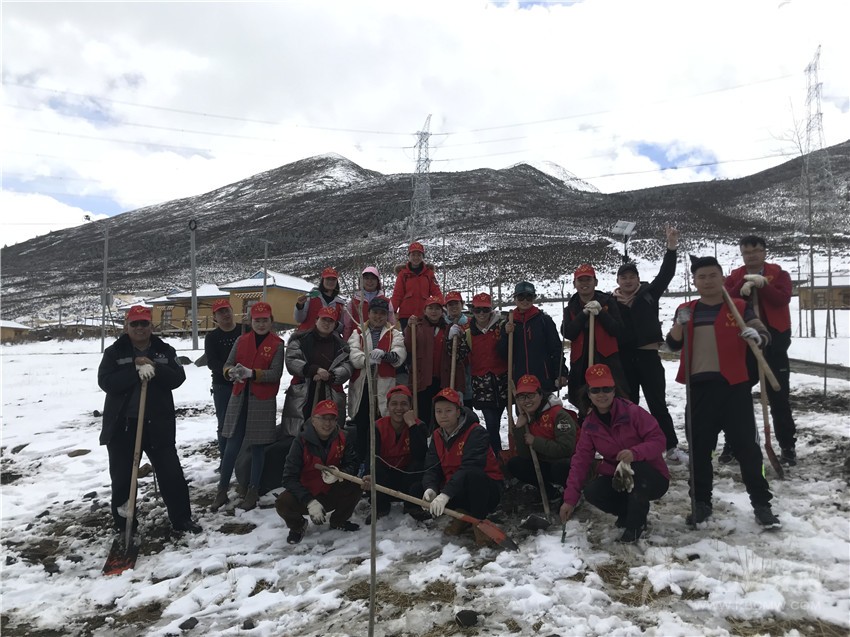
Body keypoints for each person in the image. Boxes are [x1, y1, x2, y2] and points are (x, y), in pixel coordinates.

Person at [666, 255, 781, 529]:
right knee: (699, 451)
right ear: (694, 281)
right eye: (701, 277)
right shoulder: (687, 309)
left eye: (712, 275)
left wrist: (757, 337)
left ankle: (762, 504)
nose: (707, 281)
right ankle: (701, 502)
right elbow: (672, 344)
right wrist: (680, 323)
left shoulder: (738, 307)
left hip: (734, 388)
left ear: (722, 278)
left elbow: (763, 334)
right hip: (699, 390)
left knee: (748, 450)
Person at [97, 305, 200, 535]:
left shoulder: (165, 350)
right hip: (123, 426)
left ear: (151, 326)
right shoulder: (115, 352)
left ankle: (182, 519)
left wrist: (155, 368)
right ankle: (124, 525)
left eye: (144, 323)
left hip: (158, 425)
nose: (139, 328)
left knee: (171, 474)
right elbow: (106, 382)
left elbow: (178, 378)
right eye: (134, 324)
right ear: (127, 326)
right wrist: (134, 371)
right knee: (123, 479)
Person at [559, 364, 669, 543]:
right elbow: (580, 461)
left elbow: (659, 440)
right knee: (593, 491)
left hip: (652, 477)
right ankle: (627, 513)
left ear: (614, 390)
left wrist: (635, 453)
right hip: (619, 478)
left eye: (606, 389)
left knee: (636, 468)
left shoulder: (633, 412)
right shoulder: (589, 425)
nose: (601, 394)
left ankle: (636, 525)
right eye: (595, 390)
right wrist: (570, 500)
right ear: (589, 394)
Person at [613, 227, 688, 464]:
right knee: (629, 405)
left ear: (638, 279)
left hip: (648, 358)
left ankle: (671, 447)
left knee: (657, 404)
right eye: (623, 277)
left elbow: (666, 274)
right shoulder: (610, 302)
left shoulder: (649, 294)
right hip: (624, 359)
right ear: (618, 281)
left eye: (631, 277)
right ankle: (632, 446)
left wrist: (671, 248)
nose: (628, 281)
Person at [724, 235, 797, 466]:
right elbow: (727, 299)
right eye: (747, 252)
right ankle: (733, 443)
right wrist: (743, 285)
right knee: (736, 397)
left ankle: (787, 446)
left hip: (775, 344)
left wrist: (763, 285)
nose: (751, 256)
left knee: (779, 399)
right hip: (743, 345)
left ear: (764, 252)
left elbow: (782, 299)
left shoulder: (780, 274)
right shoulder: (734, 276)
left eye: (756, 251)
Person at [214, 301, 284, 511]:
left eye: (265, 320)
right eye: (257, 320)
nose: (261, 324)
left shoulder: (277, 344)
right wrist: (230, 372)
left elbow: (276, 373)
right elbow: (227, 364)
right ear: (251, 321)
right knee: (232, 445)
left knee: (258, 447)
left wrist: (252, 374)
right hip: (239, 398)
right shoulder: (241, 340)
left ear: (271, 321)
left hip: (262, 401)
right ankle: (222, 489)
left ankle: (253, 490)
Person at [417, 388, 504, 546]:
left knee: (473, 475)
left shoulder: (476, 432)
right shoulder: (437, 435)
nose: (443, 415)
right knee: (418, 487)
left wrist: (445, 495)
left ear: (458, 412)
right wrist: (430, 488)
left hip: (485, 490)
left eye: (448, 411)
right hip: (455, 487)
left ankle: (479, 522)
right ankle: (463, 515)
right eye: (438, 411)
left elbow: (470, 467)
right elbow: (431, 467)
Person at [276, 400, 361, 544]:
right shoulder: (300, 442)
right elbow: (288, 478)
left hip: (331, 490)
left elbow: (353, 464)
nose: (327, 423)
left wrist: (339, 473)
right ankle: (298, 526)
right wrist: (309, 501)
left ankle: (339, 520)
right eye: (323, 418)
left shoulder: (343, 438)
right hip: (306, 492)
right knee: (283, 502)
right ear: (313, 420)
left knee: (356, 485)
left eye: (332, 419)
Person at [347, 296, 407, 463]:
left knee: (381, 426)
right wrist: (366, 360)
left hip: (383, 387)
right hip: (363, 386)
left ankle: (378, 461)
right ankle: (361, 462)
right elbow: (353, 354)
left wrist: (385, 355)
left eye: (382, 313)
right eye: (375, 312)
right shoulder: (358, 332)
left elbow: (399, 355)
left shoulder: (394, 334)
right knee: (362, 425)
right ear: (369, 313)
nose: (378, 316)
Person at [562, 264, 627, 412]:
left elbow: (618, 330)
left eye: (588, 280)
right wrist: (583, 314)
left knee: (611, 401)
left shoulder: (608, 302)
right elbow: (568, 333)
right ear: (574, 284)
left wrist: (601, 313)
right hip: (581, 364)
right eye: (581, 280)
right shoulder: (570, 308)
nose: (585, 283)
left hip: (607, 361)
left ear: (595, 282)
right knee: (582, 402)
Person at [281, 306, 353, 438]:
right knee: (299, 435)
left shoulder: (342, 347)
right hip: (304, 392)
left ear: (335, 325)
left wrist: (331, 375)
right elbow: (291, 360)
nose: (327, 323)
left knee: (328, 432)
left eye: (330, 321)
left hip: (330, 392)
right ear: (316, 320)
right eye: (324, 319)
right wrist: (313, 370)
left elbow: (347, 367)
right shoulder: (300, 340)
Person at [361, 385, 429, 521]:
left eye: (404, 404)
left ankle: (412, 506)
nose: (399, 408)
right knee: (375, 470)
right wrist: (369, 474)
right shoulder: (377, 427)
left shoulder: (419, 425)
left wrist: (412, 425)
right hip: (385, 479)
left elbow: (420, 455)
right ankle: (381, 507)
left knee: (419, 465)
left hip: (408, 478)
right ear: (388, 406)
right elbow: (371, 456)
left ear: (410, 406)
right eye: (394, 404)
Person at [508, 374, 577, 503]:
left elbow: (566, 449)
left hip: (565, 464)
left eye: (531, 395)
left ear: (540, 395)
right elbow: (525, 455)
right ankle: (549, 492)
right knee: (516, 464)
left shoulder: (559, 415)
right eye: (522, 397)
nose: (526, 401)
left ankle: (571, 494)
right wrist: (520, 429)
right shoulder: (527, 417)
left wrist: (535, 442)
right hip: (544, 463)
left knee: (561, 467)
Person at [405, 295, 469, 425]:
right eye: (430, 308)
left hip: (443, 379)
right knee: (422, 414)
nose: (434, 311)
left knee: (441, 416)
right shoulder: (417, 327)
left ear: (442, 311)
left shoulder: (449, 328)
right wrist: (409, 328)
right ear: (425, 310)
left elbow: (458, 358)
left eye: (437, 308)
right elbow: (409, 346)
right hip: (422, 379)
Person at [498, 281, 567, 394]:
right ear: (515, 298)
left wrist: (561, 372)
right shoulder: (508, 323)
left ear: (534, 298)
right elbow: (503, 354)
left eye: (529, 297)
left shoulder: (544, 321)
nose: (525, 301)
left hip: (543, 379)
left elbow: (556, 348)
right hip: (520, 380)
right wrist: (506, 334)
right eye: (521, 297)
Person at [466, 293, 508, 455]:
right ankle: (496, 455)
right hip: (482, 385)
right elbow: (459, 356)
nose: (482, 313)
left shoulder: (500, 327)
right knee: (491, 423)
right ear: (473, 311)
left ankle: (498, 454)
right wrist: (452, 339)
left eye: (485, 310)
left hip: (501, 383)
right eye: (478, 310)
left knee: (496, 422)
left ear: (491, 310)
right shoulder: (468, 332)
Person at [204, 298, 241, 460]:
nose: (225, 314)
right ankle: (226, 459)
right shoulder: (212, 337)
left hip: (245, 382)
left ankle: (242, 458)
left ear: (232, 311)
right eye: (220, 312)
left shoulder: (244, 330)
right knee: (225, 423)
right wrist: (228, 371)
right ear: (215, 317)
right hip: (222, 385)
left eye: (227, 310)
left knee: (245, 421)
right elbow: (211, 362)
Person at [391, 241, 441, 330]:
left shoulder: (429, 274)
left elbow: (436, 292)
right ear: (409, 256)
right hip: (406, 315)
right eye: (413, 255)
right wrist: (391, 311)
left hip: (424, 314)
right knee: (408, 338)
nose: (416, 257)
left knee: (424, 337)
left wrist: (442, 306)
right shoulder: (403, 274)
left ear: (422, 257)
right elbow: (397, 294)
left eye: (419, 255)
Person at [342, 266, 397, 340]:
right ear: (361, 281)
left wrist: (392, 340)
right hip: (357, 340)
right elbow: (347, 325)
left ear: (378, 281)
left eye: (373, 278)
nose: (370, 281)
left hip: (381, 340)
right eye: (366, 278)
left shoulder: (386, 301)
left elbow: (391, 323)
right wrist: (346, 341)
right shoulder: (353, 303)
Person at [294, 266, 347, 333]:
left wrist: (334, 324)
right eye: (328, 279)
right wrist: (300, 306)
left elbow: (342, 329)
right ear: (323, 280)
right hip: (306, 335)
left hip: (327, 338)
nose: (331, 282)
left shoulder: (340, 304)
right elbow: (299, 319)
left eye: (333, 279)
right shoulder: (311, 296)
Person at [444, 290, 474, 407]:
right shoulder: (442, 324)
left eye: (456, 303)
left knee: (467, 403)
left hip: (467, 369)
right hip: (448, 369)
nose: (453, 307)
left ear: (462, 304)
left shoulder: (470, 323)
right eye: (450, 304)